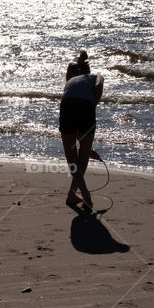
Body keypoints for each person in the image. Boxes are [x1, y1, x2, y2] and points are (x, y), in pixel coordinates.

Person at [59, 50, 104, 209]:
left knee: (72, 157)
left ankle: (72, 195)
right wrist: (92, 105)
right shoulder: (96, 76)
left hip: (67, 104)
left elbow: (73, 107)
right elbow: (98, 88)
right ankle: (85, 194)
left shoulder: (70, 83)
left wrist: (86, 144)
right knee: (82, 155)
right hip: (86, 107)